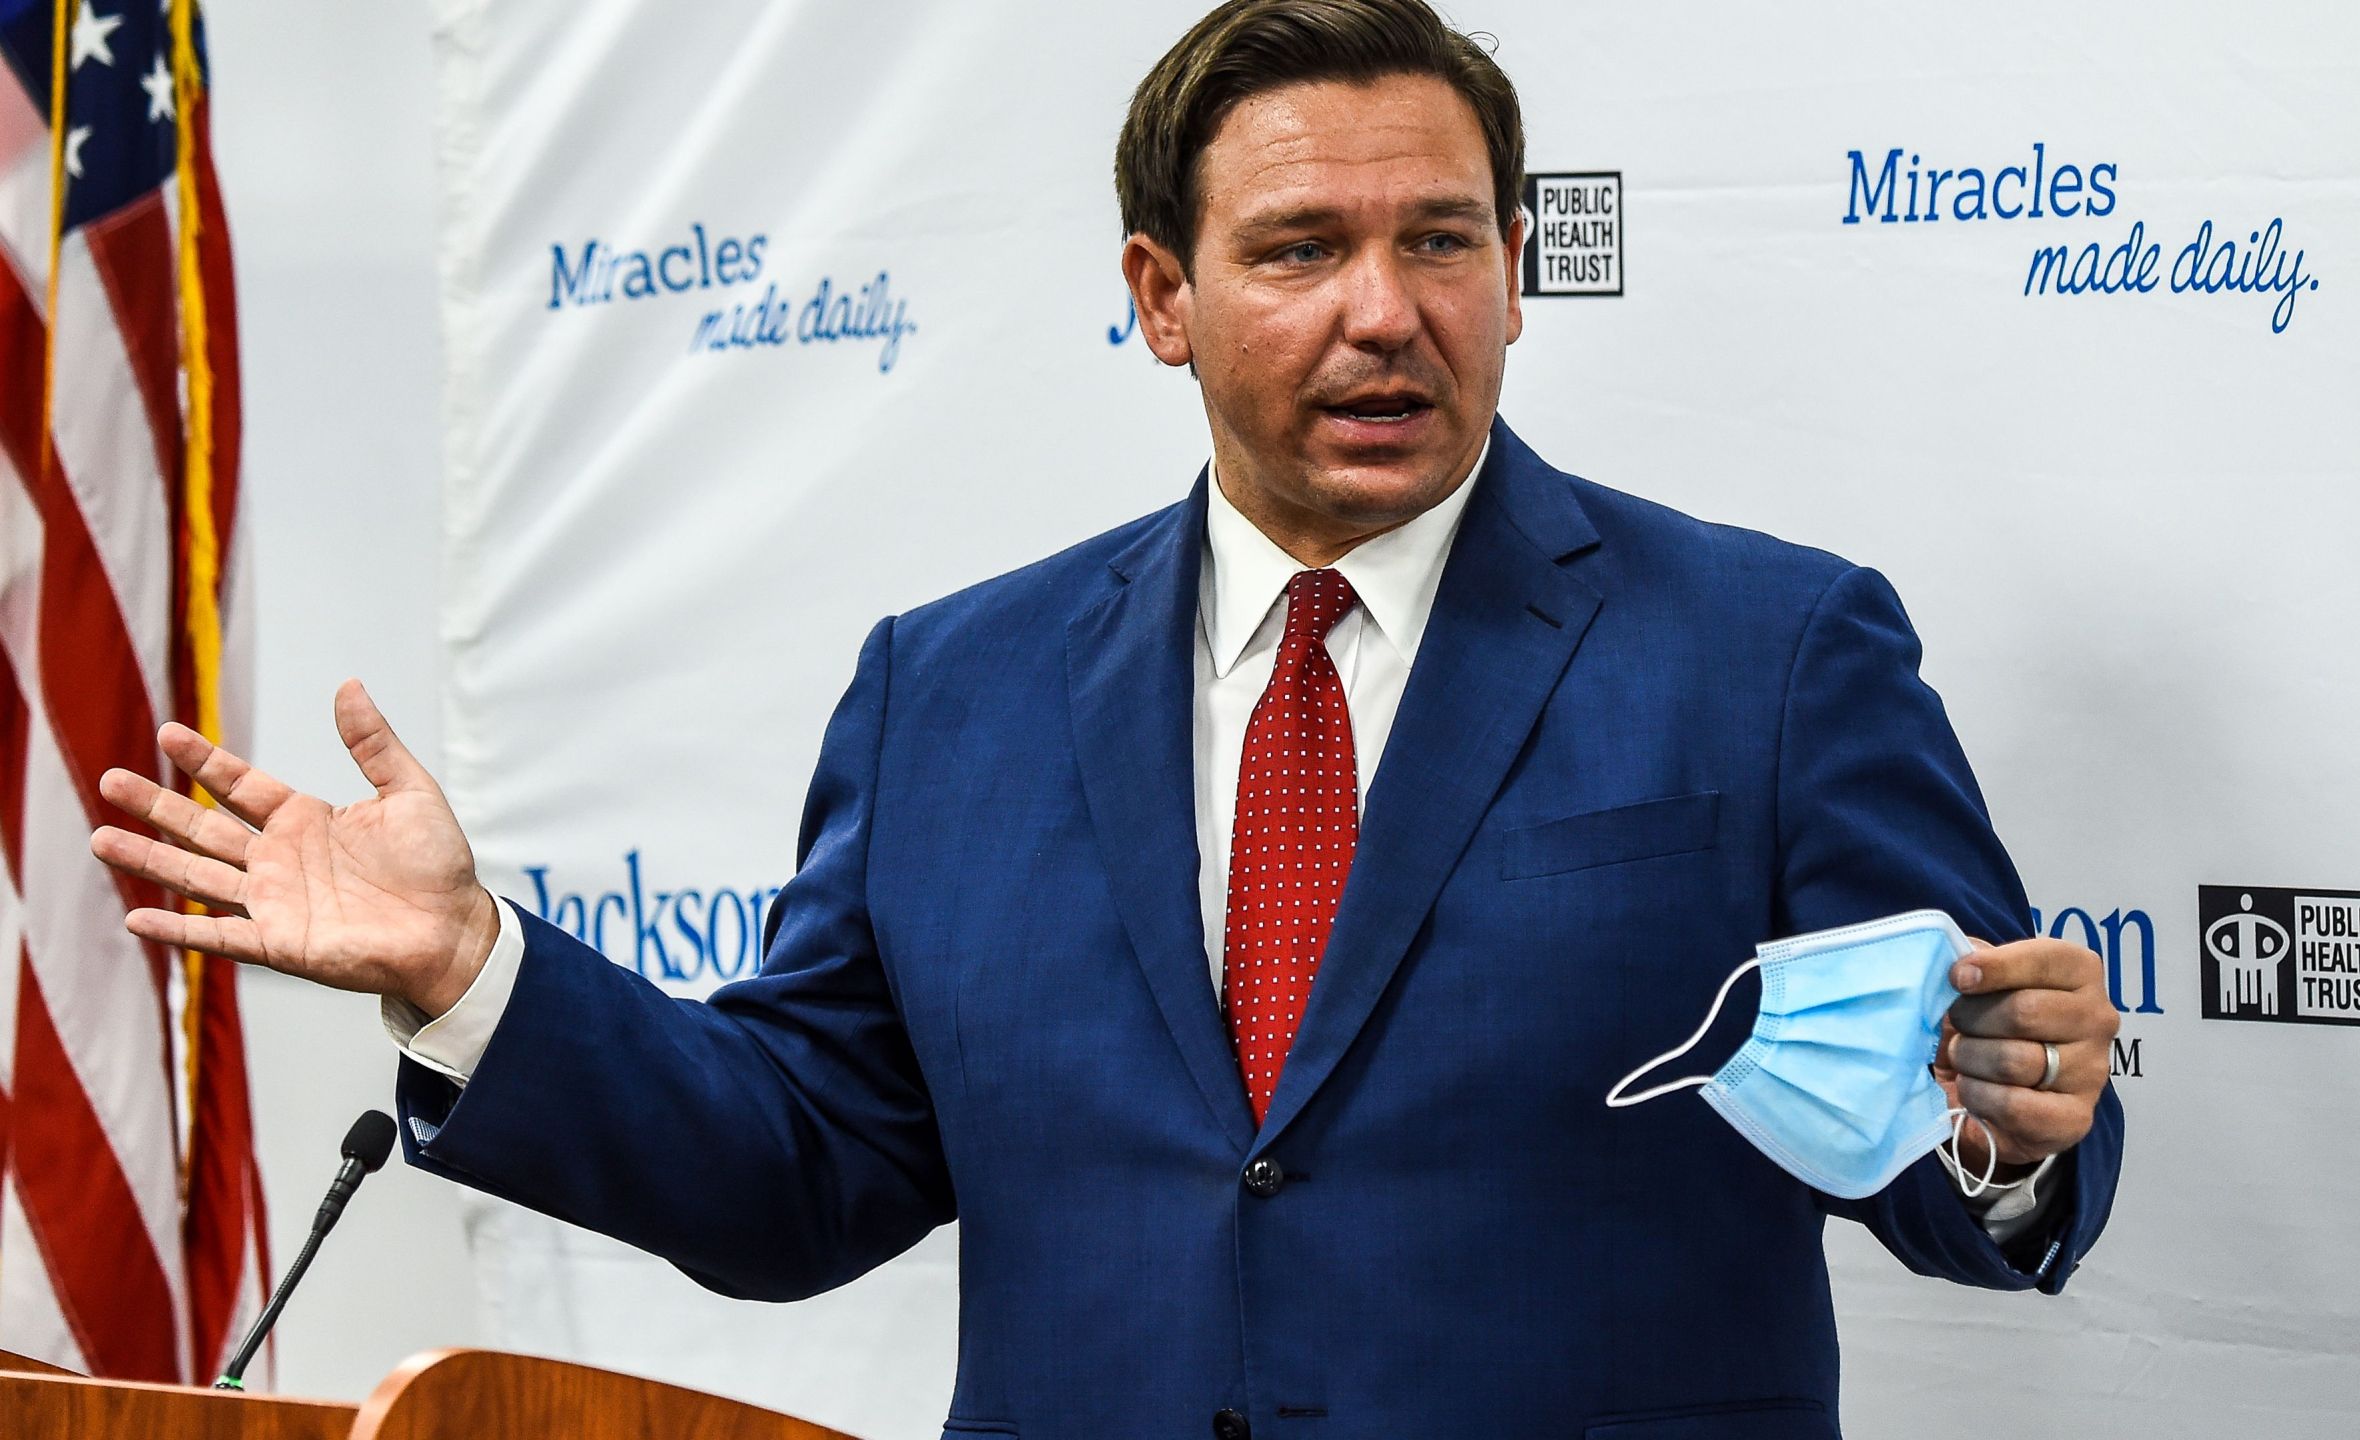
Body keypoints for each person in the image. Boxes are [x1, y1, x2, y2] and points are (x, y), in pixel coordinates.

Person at [92, 2, 2123, 1435]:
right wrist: (476, 973)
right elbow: (803, 1169)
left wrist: (2005, 1129)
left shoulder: (1767, 653)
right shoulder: (951, 695)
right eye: (1300, 250)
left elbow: (1964, 1117)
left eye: (1438, 242)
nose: (1380, 308)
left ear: (1515, 271)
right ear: (1161, 296)